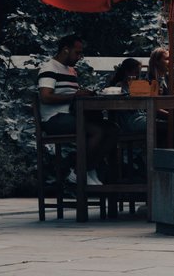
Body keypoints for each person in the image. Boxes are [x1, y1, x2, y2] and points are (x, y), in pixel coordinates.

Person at [37, 34, 118, 187]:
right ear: (65, 50)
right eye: (77, 52)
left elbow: (70, 94)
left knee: (112, 129)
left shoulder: (71, 70)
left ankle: (88, 168)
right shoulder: (50, 68)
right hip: (54, 119)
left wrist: (83, 93)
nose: (80, 56)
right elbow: (45, 97)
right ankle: (79, 171)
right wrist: (74, 95)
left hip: (72, 116)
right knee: (97, 131)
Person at [105, 58, 147, 132]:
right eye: (136, 73)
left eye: (139, 73)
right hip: (130, 121)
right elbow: (129, 107)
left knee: (165, 122)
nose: (137, 76)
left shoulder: (136, 87)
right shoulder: (119, 88)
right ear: (127, 72)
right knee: (158, 124)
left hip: (141, 117)